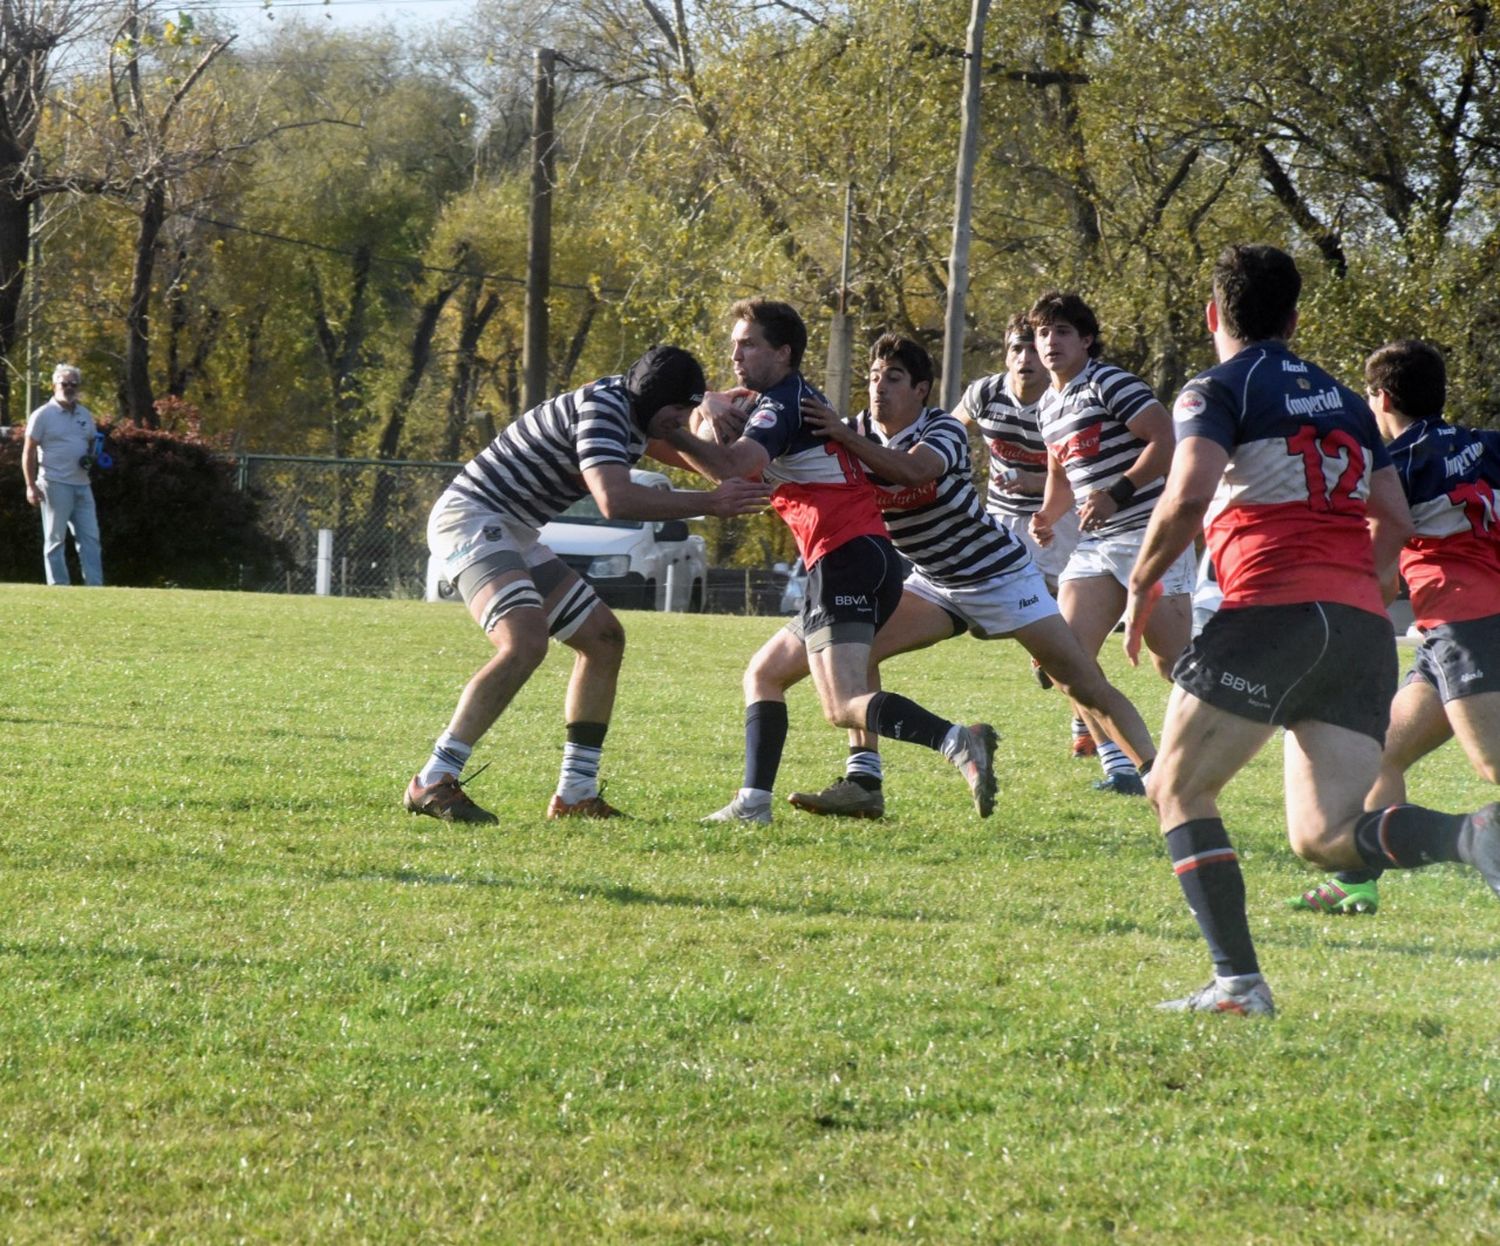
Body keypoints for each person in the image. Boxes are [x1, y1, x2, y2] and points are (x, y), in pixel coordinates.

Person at [1125, 245, 1500, 1017]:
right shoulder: (1346, 401)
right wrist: (1357, 587)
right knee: (1327, 836)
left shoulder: (1216, 388)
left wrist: (1140, 580)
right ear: (1295, 319)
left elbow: (1191, 490)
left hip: (1273, 609)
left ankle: (1238, 985)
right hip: (1360, 624)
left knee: (1175, 786)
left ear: (1212, 315)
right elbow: (1393, 519)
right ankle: (1472, 838)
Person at [758, 334, 1156, 818]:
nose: (879, 388)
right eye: (874, 377)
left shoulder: (941, 428)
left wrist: (844, 438)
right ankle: (864, 781)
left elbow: (913, 472)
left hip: (998, 577)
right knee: (861, 647)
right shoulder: (856, 429)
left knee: (1080, 681)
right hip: (932, 584)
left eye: (895, 379)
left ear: (921, 389)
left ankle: (1157, 776)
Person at [664, 300, 998, 825]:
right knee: (764, 674)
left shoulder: (782, 404)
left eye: (748, 344)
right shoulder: (774, 402)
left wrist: (681, 425)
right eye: (733, 344)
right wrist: (692, 422)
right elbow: (722, 466)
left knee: (843, 703)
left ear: (783, 352)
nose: (735, 354)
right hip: (856, 557)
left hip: (846, 556)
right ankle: (754, 804)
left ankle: (958, 740)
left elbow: (731, 466)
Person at [407, 345, 769, 825]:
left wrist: (729, 424)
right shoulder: (604, 410)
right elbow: (614, 499)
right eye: (677, 412)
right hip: (472, 518)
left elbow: (712, 462)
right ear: (654, 401)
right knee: (524, 641)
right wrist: (712, 501)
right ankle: (433, 777)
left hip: (512, 528)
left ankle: (576, 793)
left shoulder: (637, 409)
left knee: (603, 639)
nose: (681, 422)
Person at [1289, 340, 1500, 916]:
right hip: (1447, 630)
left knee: (1492, 765)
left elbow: (1374, 566)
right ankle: (1357, 878)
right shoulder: (1487, 443)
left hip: (1468, 620)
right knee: (1379, 753)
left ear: (1379, 397)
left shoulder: (1394, 467)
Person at [1028, 292, 1194, 794]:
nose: (1050, 342)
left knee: (1176, 664)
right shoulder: (1047, 406)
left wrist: (1117, 493)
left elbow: (1166, 442)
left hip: (1150, 534)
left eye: (1061, 332)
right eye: (1042, 333)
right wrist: (1049, 514)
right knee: (1064, 660)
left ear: (1086, 340)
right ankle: (1123, 766)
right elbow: (1062, 471)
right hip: (1097, 546)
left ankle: (1235, 717)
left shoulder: (1109, 382)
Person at [955, 313, 1096, 760]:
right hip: (1000, 517)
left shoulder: (1063, 403)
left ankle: (1083, 722)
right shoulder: (985, 393)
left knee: (1066, 624)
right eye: (1017, 348)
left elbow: (1077, 471)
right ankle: (1041, 646)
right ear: (1006, 353)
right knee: (982, 617)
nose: (1026, 358)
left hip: (1057, 517)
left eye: (1033, 348)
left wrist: (1039, 488)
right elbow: (947, 430)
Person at [23, 364, 105, 586]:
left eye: (73, 384)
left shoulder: (84, 414)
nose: (69, 388)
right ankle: (59, 587)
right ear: (54, 385)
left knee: (91, 538)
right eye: (64, 384)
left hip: (82, 484)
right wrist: (31, 486)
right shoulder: (42, 415)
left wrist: (91, 456)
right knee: (55, 539)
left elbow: (91, 443)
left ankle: (95, 587)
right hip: (54, 484)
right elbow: (28, 451)